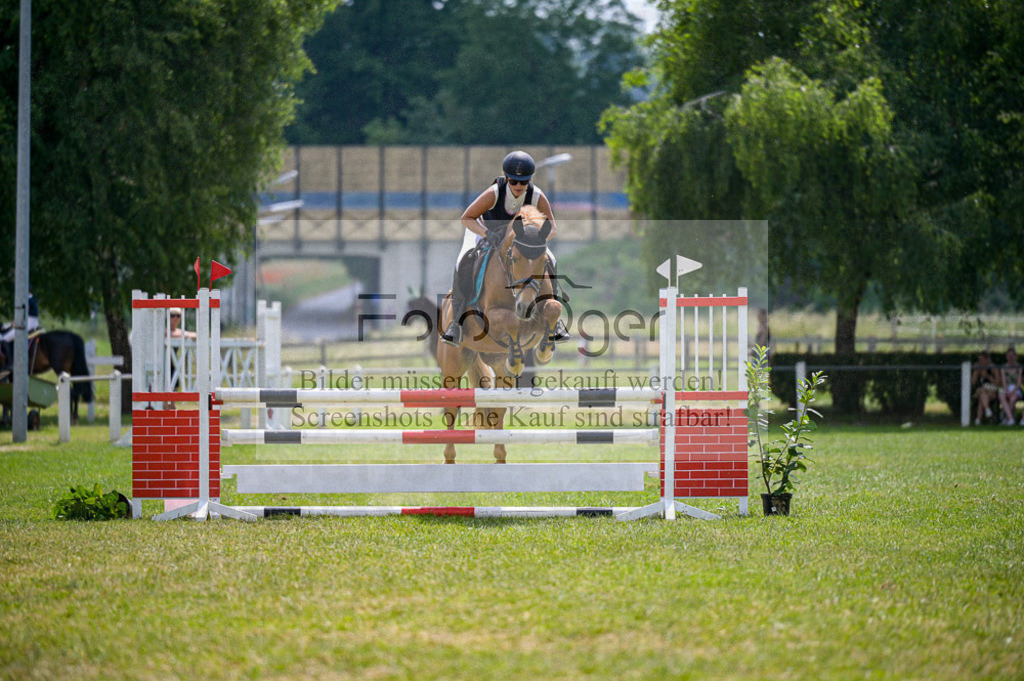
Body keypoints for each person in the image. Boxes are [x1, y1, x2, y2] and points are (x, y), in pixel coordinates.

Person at [441, 150, 570, 346]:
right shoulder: (494, 193)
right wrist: (486, 234)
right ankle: (456, 323)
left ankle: (555, 320)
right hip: (485, 230)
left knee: (550, 259)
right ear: (506, 177)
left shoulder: (536, 195)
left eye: (524, 182)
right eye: (514, 181)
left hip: (522, 239)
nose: (519, 186)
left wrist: (538, 238)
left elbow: (552, 227)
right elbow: (467, 217)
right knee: (463, 261)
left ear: (530, 180)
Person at [971, 350, 1000, 425]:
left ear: (987, 359)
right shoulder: (979, 367)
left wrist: (987, 376)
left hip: (992, 390)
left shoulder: (993, 367)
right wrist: (976, 371)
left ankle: (978, 419)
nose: (980, 361)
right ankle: (986, 411)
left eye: (982, 359)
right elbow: (973, 382)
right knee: (982, 394)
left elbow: (998, 383)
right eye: (979, 359)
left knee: (981, 393)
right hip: (983, 391)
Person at [997, 346, 1023, 426]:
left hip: (1016, 389)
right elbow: (1004, 381)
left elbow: (1019, 383)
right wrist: (1006, 390)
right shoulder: (1004, 367)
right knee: (1001, 395)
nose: (1011, 357)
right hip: (1006, 388)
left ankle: (1007, 419)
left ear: (1015, 356)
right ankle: (1010, 418)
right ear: (1006, 356)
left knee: (1013, 398)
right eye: (1009, 355)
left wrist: (1012, 391)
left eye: (1012, 355)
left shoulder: (1019, 367)